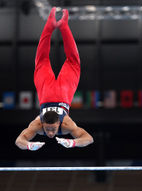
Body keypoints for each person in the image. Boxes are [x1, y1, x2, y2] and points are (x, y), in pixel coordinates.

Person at [15, 7, 94, 151]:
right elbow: (88, 138)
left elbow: (19, 140)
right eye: (49, 129)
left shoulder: (47, 124)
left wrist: (27, 145)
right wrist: (73, 142)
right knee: (70, 62)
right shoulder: (61, 124)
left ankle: (52, 25)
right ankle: (62, 26)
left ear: (59, 123)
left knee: (42, 61)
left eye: (52, 129)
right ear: (43, 123)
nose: (50, 133)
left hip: (47, 93)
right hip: (62, 93)